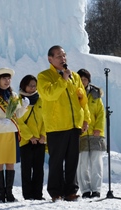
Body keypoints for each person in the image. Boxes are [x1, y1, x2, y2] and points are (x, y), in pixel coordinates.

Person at [37, 45, 91, 202]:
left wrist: (86, 118)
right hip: (56, 125)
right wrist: (62, 79)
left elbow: (83, 99)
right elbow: (49, 95)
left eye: (64, 56)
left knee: (72, 160)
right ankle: (55, 192)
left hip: (74, 125)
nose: (63, 59)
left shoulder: (75, 76)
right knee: (56, 161)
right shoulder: (44, 76)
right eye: (59, 56)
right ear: (50, 59)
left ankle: (71, 191)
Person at [0, 68, 29, 203]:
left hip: (11, 132)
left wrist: (24, 107)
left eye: (9, 78)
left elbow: (17, 115)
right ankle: (1, 194)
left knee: (10, 163)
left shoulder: (13, 95)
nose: (7, 81)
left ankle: (9, 193)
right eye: (4, 78)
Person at [76, 68, 106, 199]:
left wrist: (98, 128)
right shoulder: (74, 94)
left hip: (95, 133)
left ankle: (96, 189)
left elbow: (101, 113)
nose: (83, 81)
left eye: (85, 79)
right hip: (80, 134)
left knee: (96, 163)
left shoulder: (95, 95)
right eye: (81, 79)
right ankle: (85, 190)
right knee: (82, 164)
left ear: (89, 80)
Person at [17, 75, 46, 200]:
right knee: (26, 170)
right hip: (26, 141)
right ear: (24, 86)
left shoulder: (41, 100)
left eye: (34, 85)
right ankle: (28, 195)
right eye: (30, 85)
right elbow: (18, 121)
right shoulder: (18, 101)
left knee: (39, 169)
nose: (32, 88)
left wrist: (43, 135)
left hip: (40, 140)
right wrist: (30, 136)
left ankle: (38, 194)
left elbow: (46, 118)